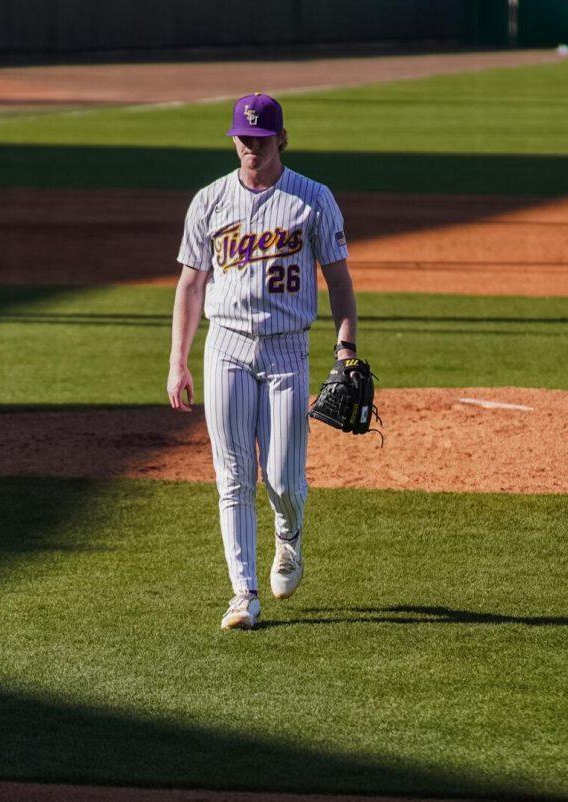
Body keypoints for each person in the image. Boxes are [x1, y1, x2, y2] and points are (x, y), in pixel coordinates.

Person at [167, 92, 360, 631]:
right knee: (232, 475)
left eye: (260, 139)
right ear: (233, 139)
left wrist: (345, 350)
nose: (251, 147)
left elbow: (339, 282)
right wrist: (177, 360)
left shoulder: (313, 200)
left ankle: (289, 535)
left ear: (281, 140)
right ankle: (242, 594)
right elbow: (190, 283)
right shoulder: (209, 201)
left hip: (285, 350)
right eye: (243, 139)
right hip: (224, 345)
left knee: (280, 477)